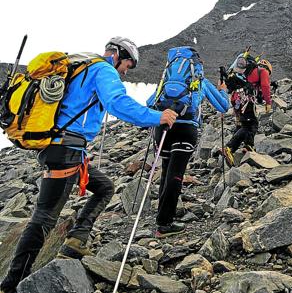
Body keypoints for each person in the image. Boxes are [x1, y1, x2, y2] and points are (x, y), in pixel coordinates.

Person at [0, 37, 177, 293]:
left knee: (105, 187)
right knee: (44, 218)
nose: (127, 70)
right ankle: (12, 283)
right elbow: (117, 103)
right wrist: (156, 117)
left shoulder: (82, 66)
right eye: (128, 63)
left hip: (63, 148)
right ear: (117, 55)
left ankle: (76, 240)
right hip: (66, 149)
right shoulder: (104, 70)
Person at [146, 48, 229, 238]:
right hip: (186, 129)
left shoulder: (165, 82)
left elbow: (149, 103)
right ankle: (164, 224)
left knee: (167, 169)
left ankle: (162, 217)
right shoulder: (199, 82)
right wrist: (223, 91)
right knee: (176, 174)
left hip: (163, 126)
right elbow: (223, 106)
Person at [222, 57, 272, 165]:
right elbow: (265, 86)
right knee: (249, 125)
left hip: (236, 99)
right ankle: (229, 148)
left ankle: (249, 146)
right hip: (245, 98)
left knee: (246, 123)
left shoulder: (248, 72)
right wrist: (268, 102)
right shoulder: (263, 72)